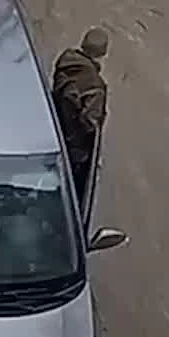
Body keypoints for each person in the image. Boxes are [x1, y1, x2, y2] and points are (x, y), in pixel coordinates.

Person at [51, 28, 108, 205]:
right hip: (74, 147)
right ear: (102, 53)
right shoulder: (95, 86)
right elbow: (90, 124)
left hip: (54, 126)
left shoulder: (65, 61)